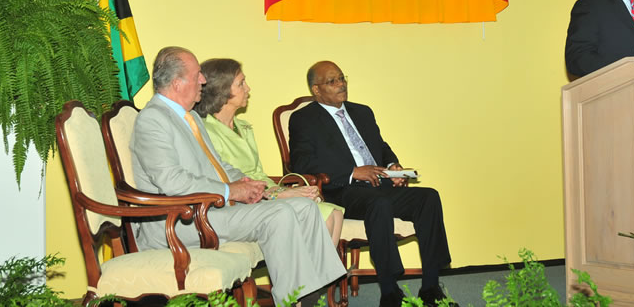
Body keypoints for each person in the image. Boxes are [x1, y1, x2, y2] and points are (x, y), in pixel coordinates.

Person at [130, 46, 345, 305]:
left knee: (304, 208)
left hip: (209, 210)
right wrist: (232, 191)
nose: (203, 80)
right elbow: (172, 181)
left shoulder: (191, 119)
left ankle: (309, 296)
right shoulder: (153, 120)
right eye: (198, 74)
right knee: (280, 214)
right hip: (178, 221)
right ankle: (291, 301)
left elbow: (218, 165)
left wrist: (247, 183)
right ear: (177, 83)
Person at [288, 61, 454, 307]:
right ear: (316, 90)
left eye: (342, 78)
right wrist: (353, 172)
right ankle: (390, 291)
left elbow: (381, 148)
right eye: (332, 81)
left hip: (379, 185)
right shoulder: (304, 119)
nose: (341, 84)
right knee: (379, 204)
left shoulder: (362, 111)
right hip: (343, 190)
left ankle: (430, 287)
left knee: (428, 197)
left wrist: (394, 167)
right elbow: (302, 164)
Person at [194, 57, 345, 246]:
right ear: (222, 91)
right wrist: (279, 194)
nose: (248, 88)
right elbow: (225, 178)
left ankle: (323, 275)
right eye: (241, 84)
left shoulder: (243, 127)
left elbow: (258, 173)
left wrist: (286, 190)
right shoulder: (207, 131)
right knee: (322, 213)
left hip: (262, 192)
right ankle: (310, 274)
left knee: (335, 212)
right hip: (240, 201)